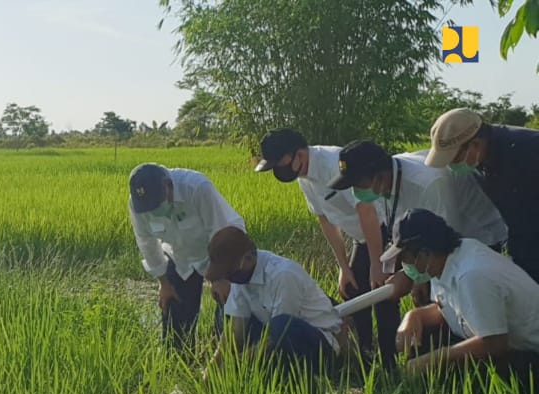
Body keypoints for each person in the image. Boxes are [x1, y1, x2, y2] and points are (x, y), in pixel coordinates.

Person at [255, 128, 399, 368]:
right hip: (361, 238)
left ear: (298, 153)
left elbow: (368, 212)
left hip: (384, 233)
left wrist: (377, 263)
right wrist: (344, 267)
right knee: (353, 290)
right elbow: (326, 220)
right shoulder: (306, 180)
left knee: (382, 294)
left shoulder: (335, 163)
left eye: (281, 162)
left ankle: (390, 362)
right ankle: (364, 354)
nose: (280, 170)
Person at [326, 139, 508, 306]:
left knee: (464, 299)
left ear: (379, 175)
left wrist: (409, 277)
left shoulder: (428, 184)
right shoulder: (382, 186)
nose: (356, 191)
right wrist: (403, 273)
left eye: (359, 184)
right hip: (442, 239)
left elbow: (447, 245)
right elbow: (401, 231)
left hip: (477, 232)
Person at [385, 209, 539, 394]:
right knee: (426, 337)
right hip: (503, 341)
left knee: (467, 371)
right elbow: (451, 309)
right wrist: (415, 316)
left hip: (528, 352)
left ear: (425, 253)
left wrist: (437, 359)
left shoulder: (472, 276)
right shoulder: (443, 261)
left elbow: (495, 343)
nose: (404, 265)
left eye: (405, 258)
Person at [128, 162, 246, 345]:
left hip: (222, 253)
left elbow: (222, 231)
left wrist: (221, 278)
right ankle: (178, 365)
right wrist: (163, 283)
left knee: (229, 312)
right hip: (180, 258)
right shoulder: (138, 205)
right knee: (175, 321)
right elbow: (146, 242)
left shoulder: (197, 188)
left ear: (168, 185)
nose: (154, 211)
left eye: (156, 204)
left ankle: (222, 362)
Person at [204, 227, 345, 376]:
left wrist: (236, 366)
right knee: (228, 313)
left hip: (318, 346)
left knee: (280, 324)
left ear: (248, 259)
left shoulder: (283, 275)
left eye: (230, 272)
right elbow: (236, 330)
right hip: (278, 337)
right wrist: (213, 369)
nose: (229, 278)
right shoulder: (240, 280)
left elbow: (279, 335)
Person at [423, 108, 539, 284]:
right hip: (526, 249)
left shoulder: (527, 149)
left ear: (475, 144)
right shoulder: (482, 161)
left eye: (454, 159)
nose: (453, 167)